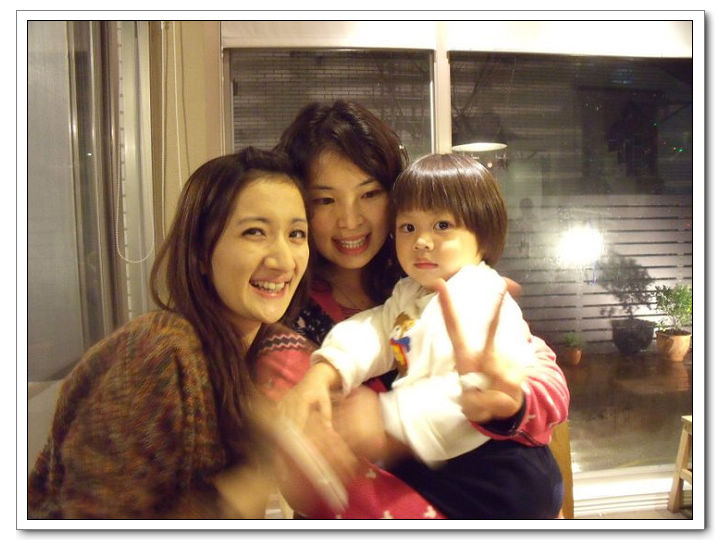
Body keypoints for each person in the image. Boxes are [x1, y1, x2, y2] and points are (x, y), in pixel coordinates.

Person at [253, 100, 569, 519]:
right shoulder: (301, 325)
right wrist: (324, 371)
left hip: (500, 482)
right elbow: (327, 488)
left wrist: (516, 400)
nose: (350, 220)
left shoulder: (456, 287)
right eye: (325, 200)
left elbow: (541, 381)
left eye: (369, 193)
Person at [28, 147, 314, 519]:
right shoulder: (157, 351)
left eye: (296, 234)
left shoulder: (266, 352)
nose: (284, 260)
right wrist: (259, 474)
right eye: (254, 232)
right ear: (200, 253)